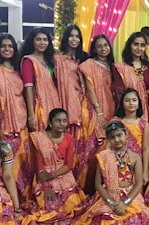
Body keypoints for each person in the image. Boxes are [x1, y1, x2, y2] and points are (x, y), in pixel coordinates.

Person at [57, 120, 149, 225]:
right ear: (108, 139)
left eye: (119, 135)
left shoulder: (135, 157)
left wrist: (125, 203)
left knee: (131, 220)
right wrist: (112, 203)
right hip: (108, 196)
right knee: (106, 220)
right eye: (112, 137)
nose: (117, 140)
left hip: (130, 197)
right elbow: (98, 185)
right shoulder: (104, 157)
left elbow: (138, 184)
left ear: (126, 135)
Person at [0, 33, 31, 200]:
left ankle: (23, 196)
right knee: (5, 156)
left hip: (20, 116)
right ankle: (8, 196)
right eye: (3, 46)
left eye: (10, 46)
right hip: (1, 118)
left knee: (22, 157)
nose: (7, 49)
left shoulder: (18, 70)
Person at [29, 108, 86, 225]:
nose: (62, 124)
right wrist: (47, 186)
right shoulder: (39, 139)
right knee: (48, 207)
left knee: (72, 205)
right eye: (58, 120)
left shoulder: (69, 138)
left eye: (64, 121)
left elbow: (68, 165)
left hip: (63, 174)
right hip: (44, 176)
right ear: (50, 123)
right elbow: (39, 168)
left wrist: (53, 175)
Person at [55, 24, 95, 188]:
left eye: (77, 36)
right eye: (71, 36)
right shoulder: (57, 58)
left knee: (82, 145)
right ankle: (65, 185)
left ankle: (80, 184)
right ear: (66, 38)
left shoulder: (84, 59)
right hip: (63, 104)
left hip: (82, 106)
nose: (74, 39)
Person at [22, 28, 61, 132]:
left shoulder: (50, 60)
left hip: (53, 102)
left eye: (45, 39)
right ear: (32, 41)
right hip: (39, 105)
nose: (42, 43)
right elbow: (28, 89)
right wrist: (31, 114)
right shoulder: (28, 61)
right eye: (38, 39)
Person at [80, 34, 116, 145]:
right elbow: (90, 89)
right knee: (97, 138)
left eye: (106, 45)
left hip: (111, 105)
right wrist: (98, 110)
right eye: (99, 46)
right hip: (95, 107)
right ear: (95, 49)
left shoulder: (112, 65)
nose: (104, 49)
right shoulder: (89, 65)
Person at [113, 32, 149, 123]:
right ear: (129, 45)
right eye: (136, 44)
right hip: (128, 112)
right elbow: (119, 93)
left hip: (147, 110)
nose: (139, 48)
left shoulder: (148, 66)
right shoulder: (120, 67)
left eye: (142, 45)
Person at [113, 88, 149, 180]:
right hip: (117, 162)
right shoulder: (115, 122)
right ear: (122, 104)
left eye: (134, 100)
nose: (131, 103)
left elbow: (145, 149)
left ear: (138, 104)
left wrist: (145, 172)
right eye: (127, 100)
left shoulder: (143, 124)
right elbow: (110, 146)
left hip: (136, 165)